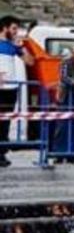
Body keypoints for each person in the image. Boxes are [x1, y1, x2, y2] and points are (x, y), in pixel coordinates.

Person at [0, 15, 35, 168]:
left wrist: (21, 48)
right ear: (5, 28)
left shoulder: (13, 45)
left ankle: (1, 153)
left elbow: (30, 61)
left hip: (10, 88)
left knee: (5, 122)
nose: (16, 32)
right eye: (14, 29)